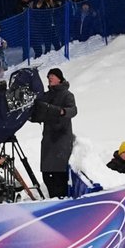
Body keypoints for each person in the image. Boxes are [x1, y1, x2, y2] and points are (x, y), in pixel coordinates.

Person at [33, 68, 77, 198]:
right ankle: (53, 198)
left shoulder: (67, 95)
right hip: (48, 139)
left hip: (61, 139)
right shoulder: (46, 96)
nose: (49, 78)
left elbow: (73, 110)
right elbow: (39, 113)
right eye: (48, 76)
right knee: (47, 174)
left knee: (59, 175)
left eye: (52, 76)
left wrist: (60, 111)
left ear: (59, 78)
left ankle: (60, 200)